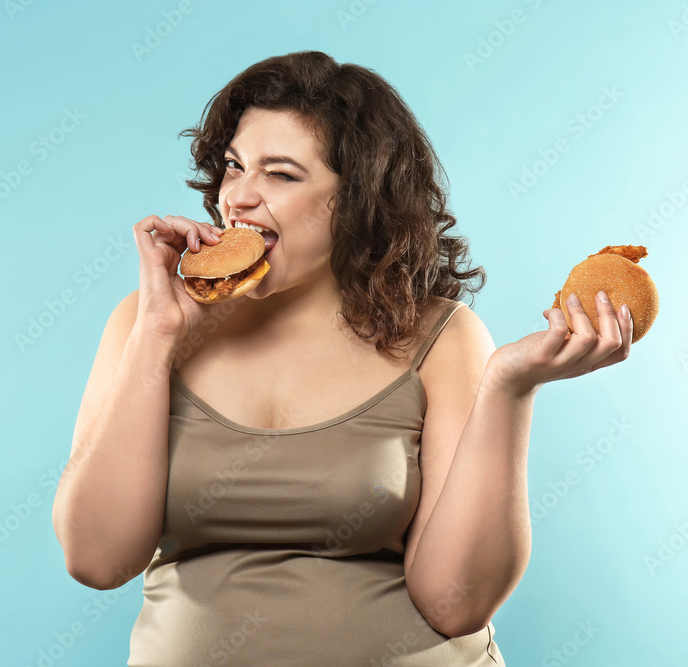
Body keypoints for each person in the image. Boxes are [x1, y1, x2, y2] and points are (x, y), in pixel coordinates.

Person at [52, 51, 633, 666]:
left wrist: (510, 390)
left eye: (280, 175)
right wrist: (156, 338)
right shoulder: (144, 322)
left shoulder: (443, 337)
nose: (238, 198)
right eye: (233, 167)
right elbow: (96, 559)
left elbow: (455, 605)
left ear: (357, 199)